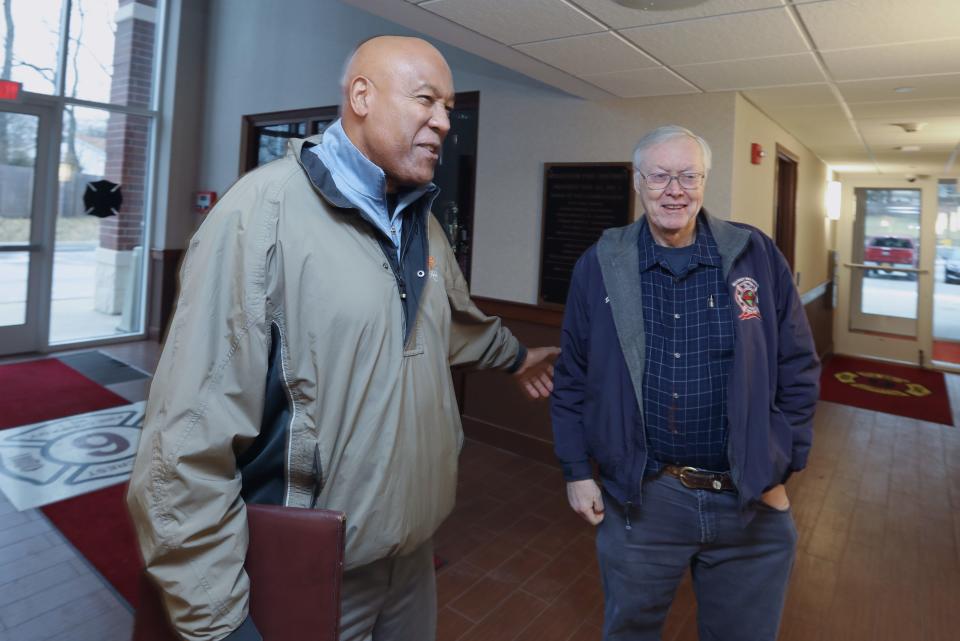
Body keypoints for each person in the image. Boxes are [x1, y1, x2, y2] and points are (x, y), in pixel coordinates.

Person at [127, 35, 558, 641]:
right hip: (312, 573)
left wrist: (516, 356)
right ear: (361, 96)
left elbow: (447, 322)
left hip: (412, 564)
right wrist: (219, 623)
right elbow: (183, 444)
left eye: (448, 108)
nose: (443, 122)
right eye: (426, 100)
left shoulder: (422, 225)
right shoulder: (260, 215)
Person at [550, 125, 820, 641]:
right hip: (647, 500)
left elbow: (798, 367)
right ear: (637, 181)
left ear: (704, 181)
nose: (675, 189)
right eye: (660, 176)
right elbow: (572, 377)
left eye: (688, 175)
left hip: (751, 503)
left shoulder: (754, 255)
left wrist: (780, 466)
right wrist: (575, 469)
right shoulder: (601, 265)